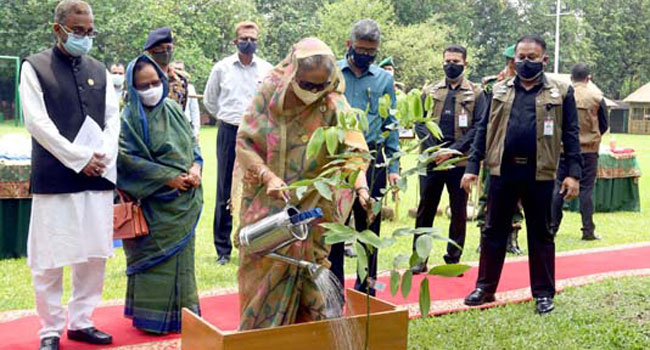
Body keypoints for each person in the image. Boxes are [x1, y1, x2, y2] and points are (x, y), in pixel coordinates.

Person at [232, 37, 369, 329]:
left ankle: (308, 339)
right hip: (268, 201)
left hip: (314, 206)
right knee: (262, 265)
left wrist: (361, 187)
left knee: (312, 271)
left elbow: (354, 152)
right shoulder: (269, 94)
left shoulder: (333, 101)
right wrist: (268, 176)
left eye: (320, 86)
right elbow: (245, 141)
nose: (313, 92)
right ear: (293, 73)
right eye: (307, 85)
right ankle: (259, 340)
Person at [19, 1, 119, 349]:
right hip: (55, 175)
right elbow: (37, 123)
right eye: (79, 31)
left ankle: (82, 321)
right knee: (50, 257)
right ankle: (49, 330)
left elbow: (112, 119)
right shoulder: (35, 67)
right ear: (57, 29)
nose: (85, 37)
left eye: (90, 31)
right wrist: (78, 158)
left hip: (98, 174)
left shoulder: (100, 70)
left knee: (93, 253)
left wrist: (102, 155)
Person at [461, 35, 581, 315]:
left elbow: (572, 134)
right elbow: (483, 130)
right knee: (493, 230)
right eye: (521, 57)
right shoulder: (498, 89)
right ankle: (485, 287)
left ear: (544, 60)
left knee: (541, 232)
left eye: (532, 57)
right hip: (502, 170)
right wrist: (471, 168)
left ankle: (542, 293)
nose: (526, 62)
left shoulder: (562, 91)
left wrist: (573, 174)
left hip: (540, 172)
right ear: (514, 58)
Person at [117, 54, 203, 334]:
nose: (151, 89)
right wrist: (168, 179)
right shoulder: (129, 117)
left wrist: (195, 168)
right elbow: (127, 159)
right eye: (143, 85)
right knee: (156, 265)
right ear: (132, 87)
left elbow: (193, 144)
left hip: (184, 203)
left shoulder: (173, 109)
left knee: (183, 262)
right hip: (154, 206)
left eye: (155, 82)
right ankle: (151, 319)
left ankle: (183, 315)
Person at [328, 19, 401, 296]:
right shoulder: (333, 72)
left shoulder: (384, 79)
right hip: (337, 159)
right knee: (336, 225)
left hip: (371, 161)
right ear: (349, 45)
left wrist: (393, 164)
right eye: (361, 49)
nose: (366, 55)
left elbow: (390, 124)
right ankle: (334, 285)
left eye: (372, 51)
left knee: (369, 225)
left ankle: (367, 286)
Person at [410, 45, 487, 274]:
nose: (450, 65)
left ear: (465, 64)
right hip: (432, 160)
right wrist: (434, 151)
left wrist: (452, 151)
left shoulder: (477, 93)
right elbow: (419, 122)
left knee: (459, 210)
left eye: (455, 61)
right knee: (426, 209)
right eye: (447, 61)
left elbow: (478, 127)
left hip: (460, 162)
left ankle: (453, 258)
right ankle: (419, 258)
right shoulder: (431, 90)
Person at [203, 21, 273, 265]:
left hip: (257, 136)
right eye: (244, 38)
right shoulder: (222, 68)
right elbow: (211, 101)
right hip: (229, 131)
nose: (249, 43)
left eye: (253, 38)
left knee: (256, 188)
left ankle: (255, 242)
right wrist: (229, 118)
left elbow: (272, 102)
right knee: (225, 189)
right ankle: (223, 250)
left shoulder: (267, 70)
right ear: (235, 42)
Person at [551, 63, 609, 240]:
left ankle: (552, 227)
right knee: (586, 189)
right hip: (588, 149)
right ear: (588, 78)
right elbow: (604, 124)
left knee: (558, 188)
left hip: (563, 149)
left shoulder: (562, 95)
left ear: (571, 77)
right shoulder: (597, 97)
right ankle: (588, 230)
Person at [477, 44, 525, 255]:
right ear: (509, 63)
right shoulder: (491, 87)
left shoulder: (528, 88)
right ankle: (484, 237)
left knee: (517, 199)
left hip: (518, 151)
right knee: (488, 195)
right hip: (494, 151)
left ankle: (512, 240)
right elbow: (483, 121)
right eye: (513, 62)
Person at [144, 27, 190, 111]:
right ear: (151, 51)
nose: (165, 52)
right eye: (160, 48)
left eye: (169, 48)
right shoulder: (142, 77)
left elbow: (182, 106)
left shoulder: (180, 79)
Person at [171, 60, 201, 140]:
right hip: (171, 126)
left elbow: (194, 110)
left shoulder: (190, 88)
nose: (179, 72)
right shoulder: (167, 87)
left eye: (181, 69)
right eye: (176, 69)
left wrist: (196, 130)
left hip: (186, 125)